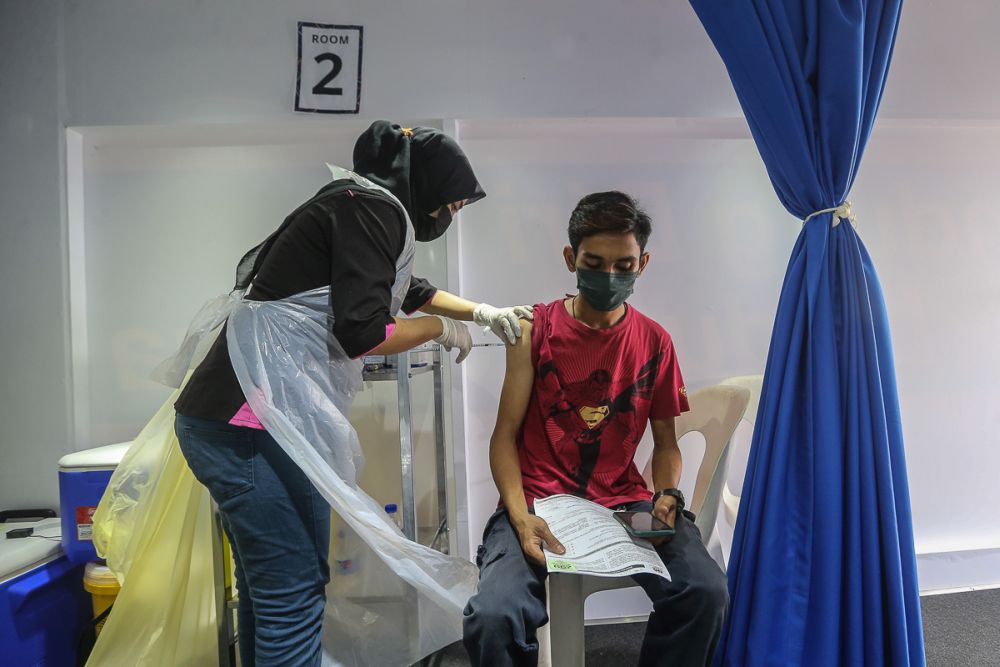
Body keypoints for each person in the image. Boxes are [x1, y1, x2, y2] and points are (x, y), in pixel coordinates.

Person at [172, 121, 530, 667]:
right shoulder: (372, 210)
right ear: (426, 185)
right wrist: (440, 330)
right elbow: (363, 331)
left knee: (272, 587)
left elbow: (404, 288)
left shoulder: (356, 204)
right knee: (289, 590)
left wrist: (481, 313)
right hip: (244, 425)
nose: (450, 217)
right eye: (451, 204)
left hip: (249, 418)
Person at [462, 191, 729, 667]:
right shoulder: (532, 330)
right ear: (571, 259)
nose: (610, 276)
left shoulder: (654, 341)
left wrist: (667, 492)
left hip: (623, 504)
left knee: (704, 592)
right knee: (494, 616)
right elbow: (504, 436)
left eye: (624, 265)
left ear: (643, 263)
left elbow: (666, 445)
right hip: (538, 501)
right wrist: (520, 518)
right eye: (594, 262)